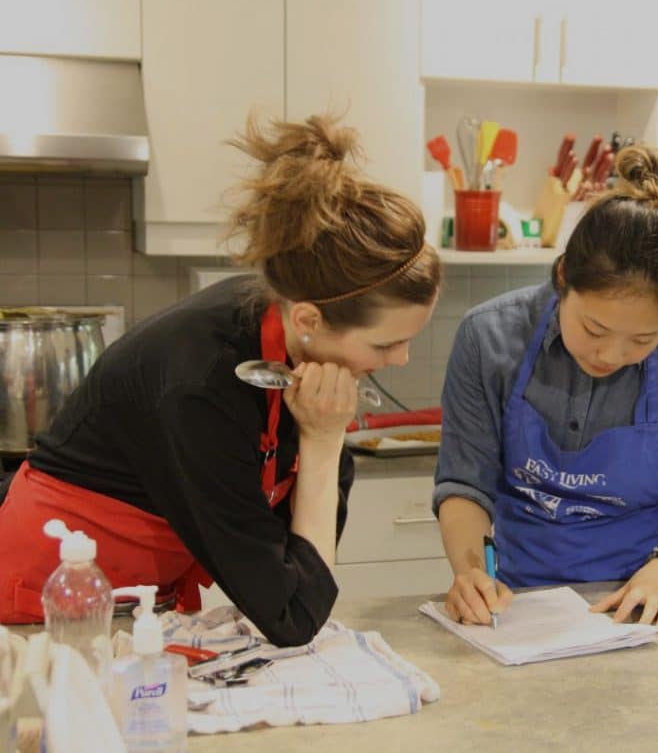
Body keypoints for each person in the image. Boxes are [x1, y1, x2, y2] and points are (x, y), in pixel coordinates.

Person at [0, 114, 442, 646]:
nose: (401, 359)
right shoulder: (201, 386)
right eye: (384, 344)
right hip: (43, 608)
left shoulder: (285, 347)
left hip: (132, 609)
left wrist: (326, 442)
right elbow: (291, 616)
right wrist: (325, 444)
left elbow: (303, 577)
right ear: (308, 319)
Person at [435, 145, 658, 631]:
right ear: (563, 277)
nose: (610, 355)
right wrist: (472, 574)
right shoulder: (489, 338)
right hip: (519, 604)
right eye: (595, 329)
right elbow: (463, 484)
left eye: (643, 339)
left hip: (649, 608)